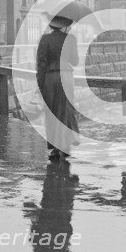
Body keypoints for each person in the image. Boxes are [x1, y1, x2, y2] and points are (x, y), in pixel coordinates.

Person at [36, 16, 79, 158]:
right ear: (64, 25)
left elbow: (41, 63)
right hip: (66, 77)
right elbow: (75, 61)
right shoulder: (70, 39)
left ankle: (54, 148)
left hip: (50, 77)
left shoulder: (45, 39)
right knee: (65, 111)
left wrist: (40, 84)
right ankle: (65, 146)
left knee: (51, 112)